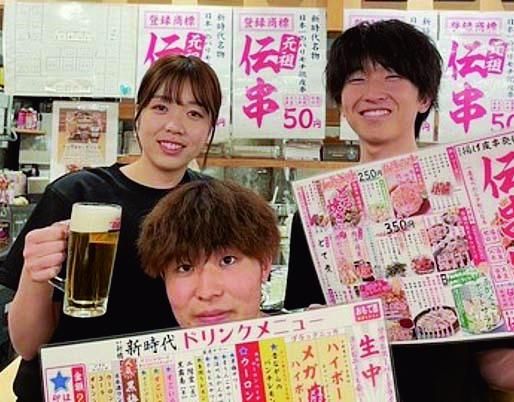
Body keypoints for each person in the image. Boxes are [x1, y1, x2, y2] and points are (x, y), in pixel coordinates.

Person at [284, 20, 512, 402]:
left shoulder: (472, 203)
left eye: (392, 76)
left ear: (425, 98)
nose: (373, 92)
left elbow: (496, 362)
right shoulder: (315, 216)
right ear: (341, 100)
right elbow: (300, 336)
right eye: (356, 79)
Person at [0, 54, 222, 401]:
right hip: (69, 390)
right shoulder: (77, 194)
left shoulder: (216, 205)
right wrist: (34, 273)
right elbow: (27, 345)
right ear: (138, 114)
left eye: (195, 113)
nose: (175, 125)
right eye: (161, 107)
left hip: (164, 388)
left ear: (210, 129)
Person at [137, 180, 280, 328]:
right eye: (185, 268)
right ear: (164, 276)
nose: (207, 292)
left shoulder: (294, 339)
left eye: (227, 261)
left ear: (264, 265)